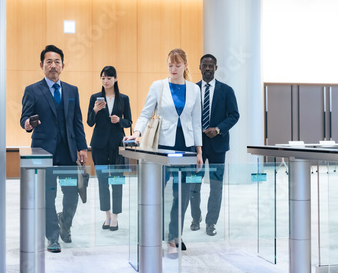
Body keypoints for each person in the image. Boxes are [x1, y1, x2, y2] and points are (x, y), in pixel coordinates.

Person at [124, 48, 203, 257]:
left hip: (185, 146)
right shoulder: (158, 86)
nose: (173, 69)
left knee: (182, 195)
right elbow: (145, 113)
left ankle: (173, 237)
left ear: (186, 66)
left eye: (177, 65)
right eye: (170, 65)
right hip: (162, 147)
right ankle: (153, 234)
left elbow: (196, 123)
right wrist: (136, 132)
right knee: (157, 193)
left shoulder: (194, 89)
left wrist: (199, 151)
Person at [20, 45, 88, 253]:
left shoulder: (72, 90)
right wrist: (27, 124)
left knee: (71, 194)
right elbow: (24, 117)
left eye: (57, 61)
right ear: (41, 65)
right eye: (48, 62)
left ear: (63, 65)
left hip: (68, 153)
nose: (53, 65)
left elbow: (77, 122)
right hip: (43, 153)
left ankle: (64, 225)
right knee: (48, 196)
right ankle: (52, 237)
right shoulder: (32, 90)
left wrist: (83, 148)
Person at [189, 54, 239, 236]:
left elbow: (234, 115)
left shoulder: (226, 91)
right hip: (197, 147)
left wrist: (218, 129)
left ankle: (211, 223)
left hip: (218, 146)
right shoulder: (191, 90)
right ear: (200, 67)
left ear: (216, 68)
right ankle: (196, 218)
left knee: (216, 187)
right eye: (205, 66)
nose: (208, 69)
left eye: (211, 66)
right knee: (194, 185)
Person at [87, 66, 132, 231]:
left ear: (115, 79)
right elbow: (89, 122)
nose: (105, 81)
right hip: (99, 146)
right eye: (103, 78)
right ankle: (106, 216)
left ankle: (115, 217)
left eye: (109, 78)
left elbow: (129, 122)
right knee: (102, 181)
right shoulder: (95, 98)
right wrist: (95, 110)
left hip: (117, 146)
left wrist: (119, 120)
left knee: (117, 181)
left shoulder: (123, 99)